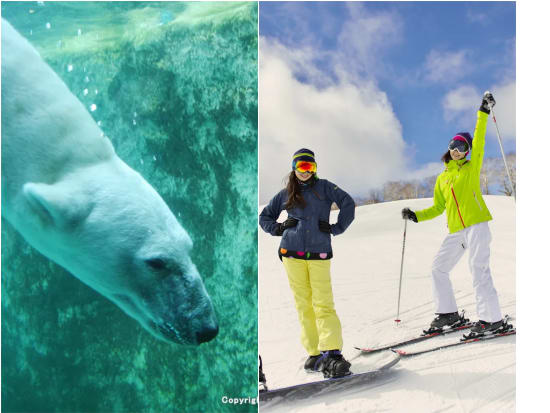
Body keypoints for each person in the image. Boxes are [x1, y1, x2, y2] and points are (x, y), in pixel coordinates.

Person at [401, 92, 506, 335]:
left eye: (462, 147)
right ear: (449, 148)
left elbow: (479, 139)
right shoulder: (442, 178)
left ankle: (492, 320)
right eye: (453, 145)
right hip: (457, 230)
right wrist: (416, 216)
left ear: (467, 151)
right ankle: (448, 314)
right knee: (438, 268)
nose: (457, 150)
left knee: (478, 269)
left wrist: (483, 111)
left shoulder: (471, 168)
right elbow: (438, 207)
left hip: (477, 225)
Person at [259, 148, 355, 378]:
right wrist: (279, 228)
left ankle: (331, 352)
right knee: (304, 305)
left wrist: (336, 228)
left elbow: (348, 204)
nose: (305, 171)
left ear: (315, 169)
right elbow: (265, 217)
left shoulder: (325, 187)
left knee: (323, 303)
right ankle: (314, 354)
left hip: (319, 253)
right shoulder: (286, 193)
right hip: (291, 253)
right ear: (293, 168)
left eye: (309, 167)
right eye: (300, 166)